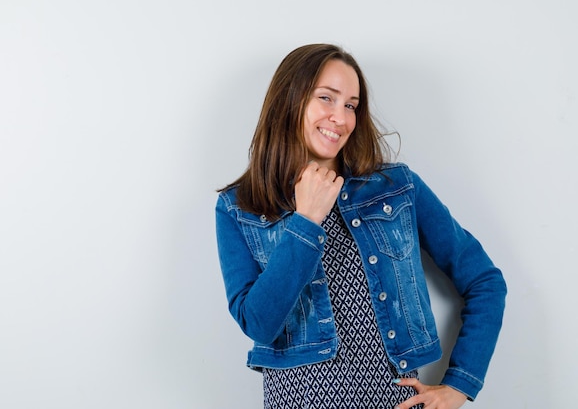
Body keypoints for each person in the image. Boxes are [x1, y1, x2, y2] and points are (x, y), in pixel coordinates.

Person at [215, 43, 506, 409]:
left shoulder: (396, 188)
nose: (341, 117)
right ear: (290, 100)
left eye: (351, 105)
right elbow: (258, 323)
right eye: (327, 98)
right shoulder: (238, 206)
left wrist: (460, 384)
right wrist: (306, 221)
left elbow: (485, 280)